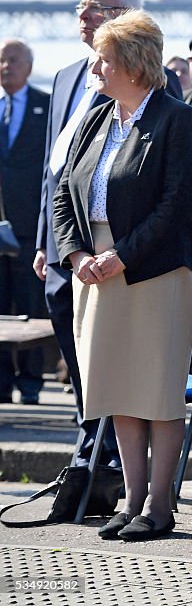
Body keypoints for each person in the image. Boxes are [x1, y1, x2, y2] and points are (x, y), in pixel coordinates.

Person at [51, 10, 192, 541]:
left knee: (156, 391)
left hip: (153, 272)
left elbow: (177, 204)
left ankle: (160, 505)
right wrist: (76, 257)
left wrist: (122, 257)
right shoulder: (96, 116)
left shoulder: (177, 119)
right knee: (116, 388)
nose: (94, 67)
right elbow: (63, 190)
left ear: (134, 65)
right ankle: (131, 499)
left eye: (104, 58)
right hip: (92, 271)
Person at [34, 0, 181, 469]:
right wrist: (59, 247)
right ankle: (90, 454)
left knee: (142, 381)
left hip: (139, 261)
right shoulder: (67, 78)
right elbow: (58, 177)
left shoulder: (166, 107)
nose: (86, 13)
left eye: (98, 7)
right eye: (83, 5)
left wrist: (120, 254)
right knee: (95, 374)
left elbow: (172, 197)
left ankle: (118, 474)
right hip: (74, 256)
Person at [0, 39, 49, 405]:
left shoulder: (46, 107)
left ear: (29, 67)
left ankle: (31, 383)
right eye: (1, 60)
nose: (6, 66)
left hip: (32, 226)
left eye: (13, 60)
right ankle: (1, 383)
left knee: (32, 307)